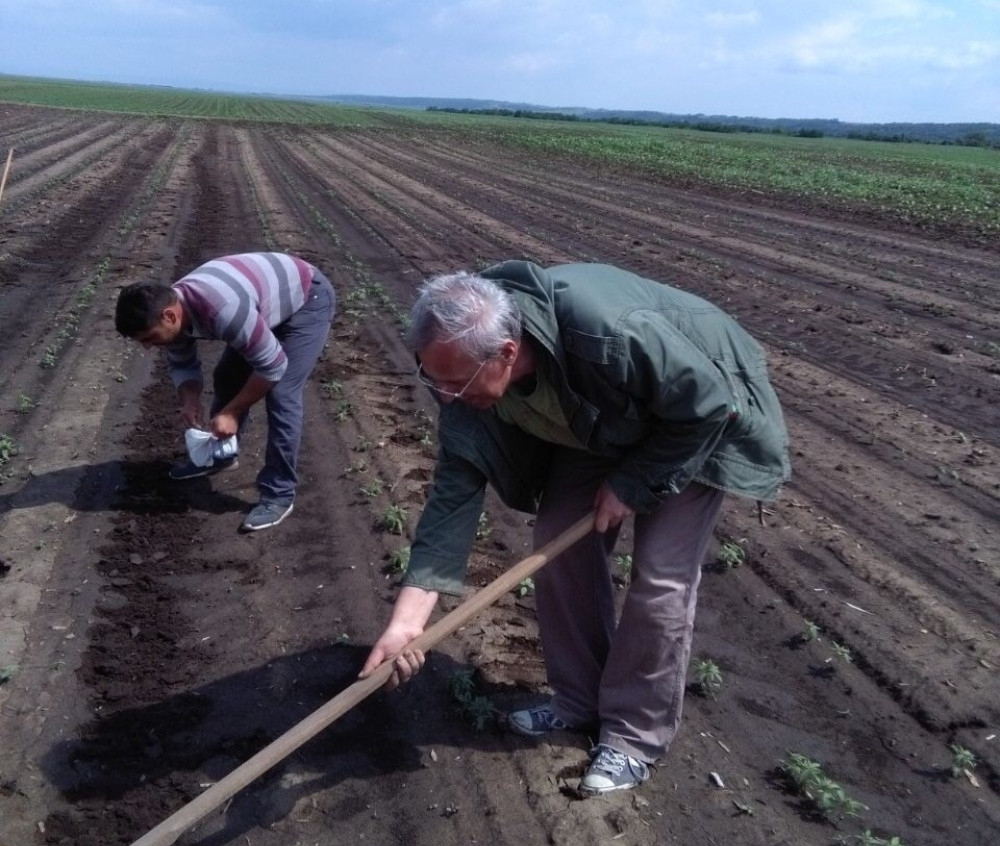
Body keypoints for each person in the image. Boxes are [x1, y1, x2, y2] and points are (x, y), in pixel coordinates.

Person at [361, 261, 790, 796]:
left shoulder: (607, 333)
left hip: (696, 418)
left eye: (456, 382)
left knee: (660, 579)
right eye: (434, 378)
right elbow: (451, 502)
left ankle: (633, 736)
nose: (445, 396)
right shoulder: (465, 383)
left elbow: (706, 405)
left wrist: (633, 483)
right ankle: (579, 703)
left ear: (507, 354)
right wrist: (407, 623)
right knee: (558, 543)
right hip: (601, 418)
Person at [115, 252, 336, 533]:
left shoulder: (224, 310)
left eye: (149, 338)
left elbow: (273, 366)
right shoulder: (172, 313)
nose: (147, 347)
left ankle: (279, 494)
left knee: (281, 393)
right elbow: (183, 362)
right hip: (261, 301)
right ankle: (221, 455)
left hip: (306, 300)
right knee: (228, 376)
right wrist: (190, 399)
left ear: (169, 315)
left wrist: (232, 411)